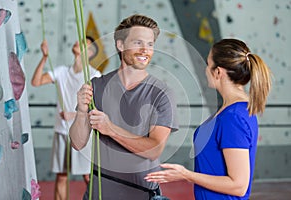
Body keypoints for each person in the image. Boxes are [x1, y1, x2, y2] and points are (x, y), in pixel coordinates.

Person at [145, 38, 272, 199]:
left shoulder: (233, 117)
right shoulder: (232, 111)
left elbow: (238, 185)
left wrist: (186, 175)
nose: (205, 70)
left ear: (218, 72)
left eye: (208, 63)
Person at [69, 14, 178, 200]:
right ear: (120, 45)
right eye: (138, 42)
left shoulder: (161, 93)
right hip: (100, 193)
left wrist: (110, 129)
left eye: (150, 44)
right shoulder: (96, 86)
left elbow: (154, 149)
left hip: (141, 194)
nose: (145, 50)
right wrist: (80, 112)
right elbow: (77, 143)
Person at [31, 37, 101, 200]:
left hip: (83, 134)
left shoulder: (94, 75)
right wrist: (44, 58)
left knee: (87, 176)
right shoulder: (62, 71)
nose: (77, 42)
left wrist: (74, 114)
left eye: (84, 43)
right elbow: (36, 82)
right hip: (62, 131)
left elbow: (98, 107)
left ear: (89, 53)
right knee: (61, 176)